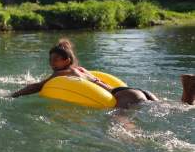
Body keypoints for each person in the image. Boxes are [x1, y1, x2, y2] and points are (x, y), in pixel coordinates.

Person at [11, 39, 195, 108]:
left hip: (123, 96)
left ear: (66, 60)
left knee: (122, 131)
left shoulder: (64, 73)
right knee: (178, 108)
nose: (51, 64)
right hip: (132, 90)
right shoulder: (82, 70)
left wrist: (15, 94)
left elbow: (37, 86)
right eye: (50, 60)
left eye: (55, 60)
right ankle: (188, 88)